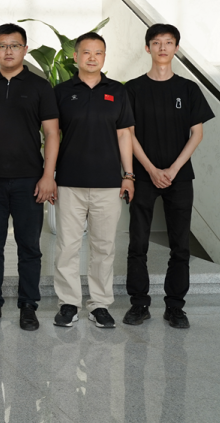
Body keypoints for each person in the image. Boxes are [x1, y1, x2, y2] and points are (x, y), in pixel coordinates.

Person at [123, 24, 213, 329]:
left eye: (169, 42)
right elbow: (128, 134)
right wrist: (150, 169)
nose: (162, 48)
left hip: (180, 177)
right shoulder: (132, 89)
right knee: (138, 243)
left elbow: (197, 133)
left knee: (180, 245)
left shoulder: (189, 89)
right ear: (147, 48)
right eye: (156, 42)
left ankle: (175, 307)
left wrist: (173, 170)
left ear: (176, 48)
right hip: (143, 175)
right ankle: (139, 304)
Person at [0, 24, 59, 331]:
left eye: (14, 45)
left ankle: (28, 305)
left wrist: (48, 175)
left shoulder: (40, 87)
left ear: (25, 49)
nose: (8, 51)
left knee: (29, 246)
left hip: (29, 180)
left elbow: (52, 133)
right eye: (2, 45)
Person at [52, 31, 134, 329]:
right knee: (67, 246)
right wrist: (50, 175)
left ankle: (100, 304)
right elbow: (52, 135)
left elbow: (124, 135)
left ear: (104, 57)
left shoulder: (117, 91)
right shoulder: (61, 92)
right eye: (86, 52)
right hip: (69, 182)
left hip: (109, 183)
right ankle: (68, 304)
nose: (92, 57)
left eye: (98, 52)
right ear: (75, 56)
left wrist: (128, 175)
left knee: (103, 247)